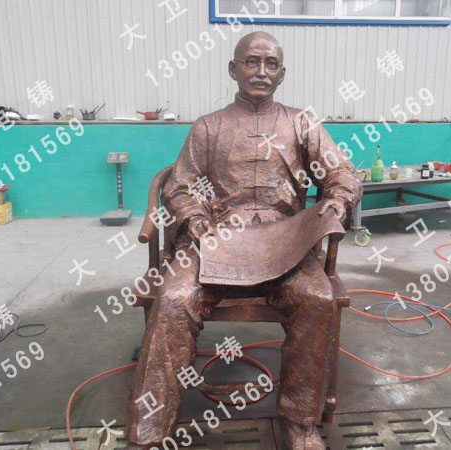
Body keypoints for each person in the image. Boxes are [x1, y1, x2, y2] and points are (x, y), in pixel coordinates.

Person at [126, 31, 363, 450]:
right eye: (251, 62)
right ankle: (149, 430)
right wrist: (195, 218)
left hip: (285, 241)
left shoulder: (302, 123)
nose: (261, 71)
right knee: (175, 298)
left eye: (271, 64)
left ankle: (298, 421)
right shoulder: (208, 127)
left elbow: (341, 171)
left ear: (282, 74)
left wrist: (338, 199)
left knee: (316, 298)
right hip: (216, 236)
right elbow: (179, 186)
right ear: (233, 70)